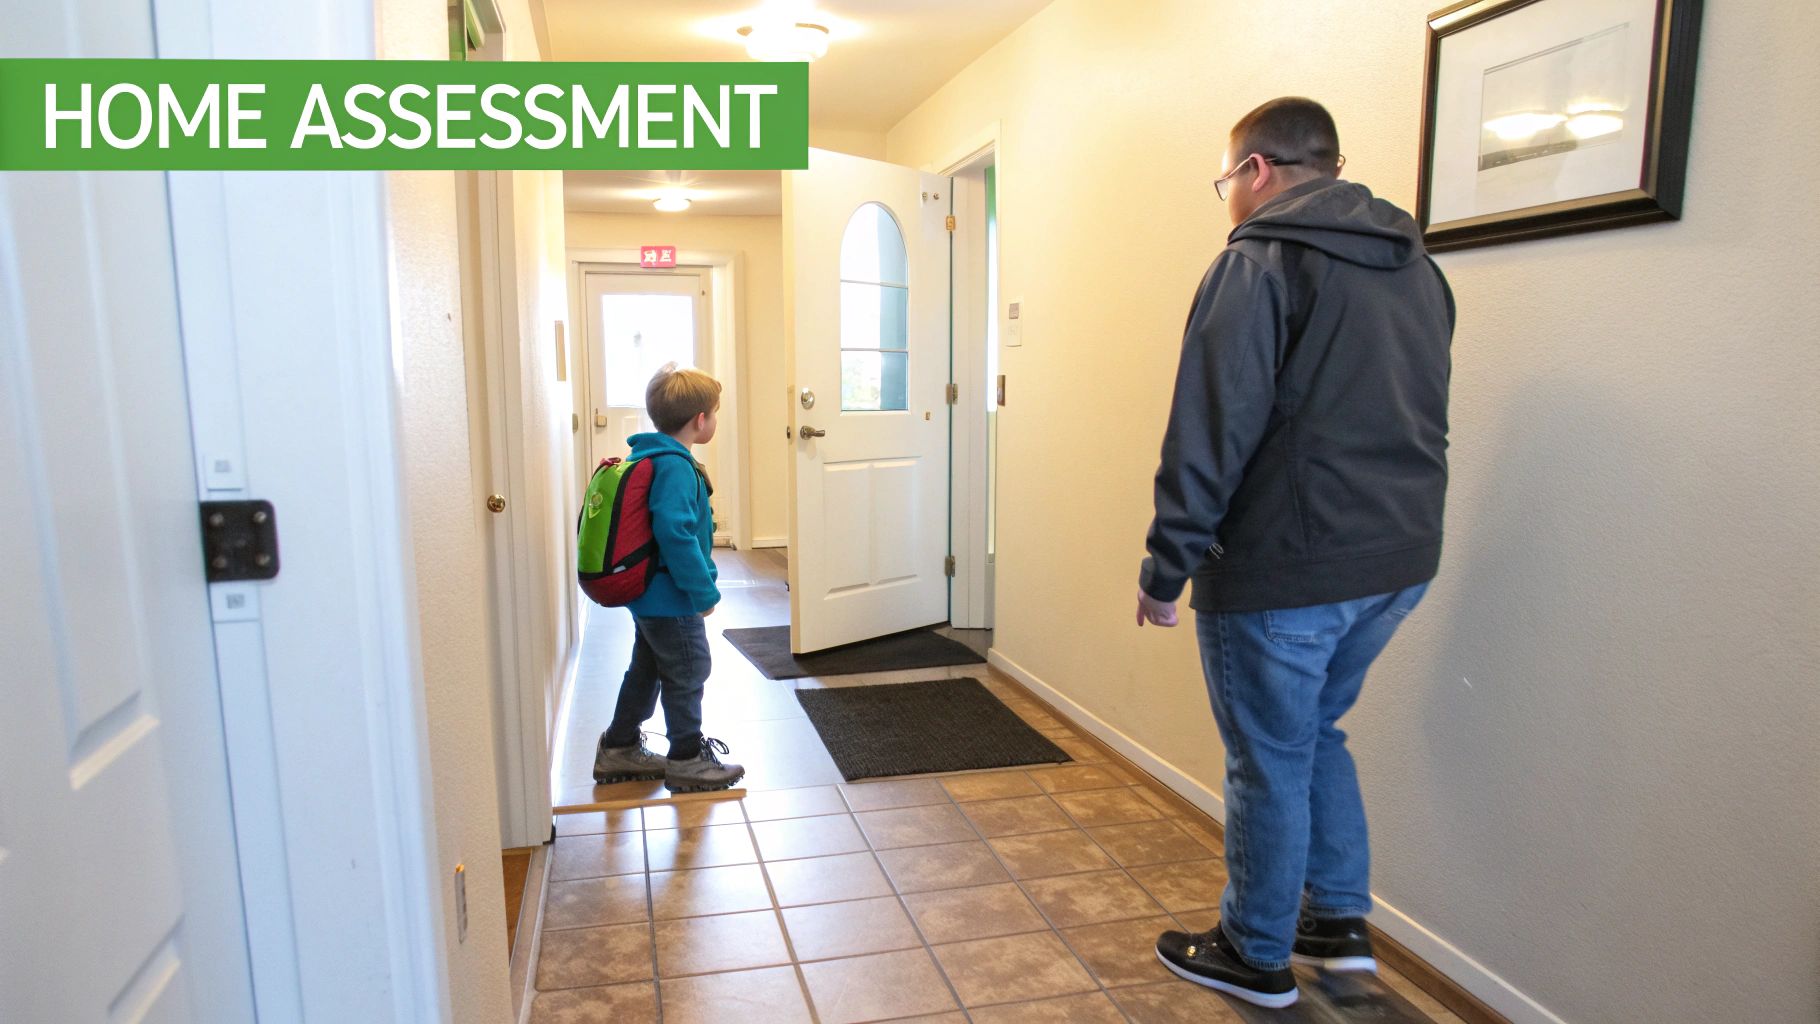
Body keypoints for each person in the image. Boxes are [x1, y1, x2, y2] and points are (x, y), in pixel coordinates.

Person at [1137, 98, 1454, 1008]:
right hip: (1398, 559)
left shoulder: (1257, 262)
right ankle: (1337, 925)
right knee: (1316, 732)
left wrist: (1168, 567)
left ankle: (1254, 950)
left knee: (1267, 754)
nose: (1226, 198)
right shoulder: (1415, 267)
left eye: (1225, 179)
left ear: (1258, 171)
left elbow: (1209, 427)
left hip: (1289, 565)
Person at [593, 363, 746, 793]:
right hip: (672, 595)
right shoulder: (676, 466)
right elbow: (675, 533)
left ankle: (619, 746)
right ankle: (687, 758)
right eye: (714, 413)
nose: (714, 420)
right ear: (701, 420)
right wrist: (702, 592)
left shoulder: (650, 455)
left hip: (650, 596)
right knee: (689, 667)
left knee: (648, 669)